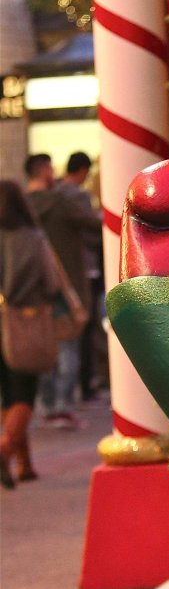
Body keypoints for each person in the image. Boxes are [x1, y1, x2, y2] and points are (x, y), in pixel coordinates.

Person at [25, 152, 102, 426]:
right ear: (45, 171)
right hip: (67, 281)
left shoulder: (22, 205)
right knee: (69, 344)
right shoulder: (60, 201)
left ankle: (48, 405)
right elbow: (92, 223)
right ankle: (63, 404)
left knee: (46, 347)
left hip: (35, 286)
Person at [0, 180, 60, 486]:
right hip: (23, 321)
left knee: (7, 396)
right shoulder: (32, 238)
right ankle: (5, 449)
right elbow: (51, 282)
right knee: (24, 393)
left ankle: (24, 464)